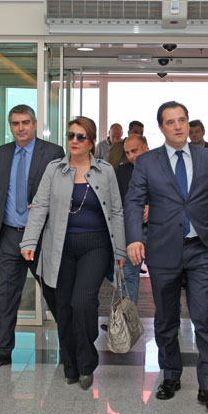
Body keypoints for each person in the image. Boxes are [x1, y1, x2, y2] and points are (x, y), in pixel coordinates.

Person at [125, 101, 208, 414]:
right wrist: (134, 237)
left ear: (188, 124)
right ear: (161, 127)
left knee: (205, 318)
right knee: (166, 319)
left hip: (202, 250)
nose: (178, 126)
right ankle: (171, 375)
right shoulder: (147, 162)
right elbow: (134, 202)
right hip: (163, 250)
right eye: (171, 122)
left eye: (182, 120)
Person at [21, 116, 126, 390]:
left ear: (92, 142)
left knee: (82, 302)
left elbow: (116, 211)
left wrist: (119, 249)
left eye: (81, 136)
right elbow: (40, 206)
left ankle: (86, 360)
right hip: (60, 247)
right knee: (64, 308)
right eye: (71, 135)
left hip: (95, 246)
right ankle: (71, 365)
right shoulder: (54, 169)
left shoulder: (105, 171)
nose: (74, 141)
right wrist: (29, 241)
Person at [0, 104, 65, 371]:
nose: (21, 128)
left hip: (40, 236)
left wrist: (45, 204)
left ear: (35, 124)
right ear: (10, 126)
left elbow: (63, 192)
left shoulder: (53, 152)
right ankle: (1, 351)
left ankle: (70, 348)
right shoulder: (4, 152)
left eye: (25, 122)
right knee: (6, 295)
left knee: (54, 293)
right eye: (15, 123)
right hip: (9, 235)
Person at [115, 134, 149, 304]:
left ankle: (170, 319)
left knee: (165, 279)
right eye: (127, 153)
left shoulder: (162, 167)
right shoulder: (122, 171)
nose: (131, 156)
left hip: (159, 231)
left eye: (134, 151)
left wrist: (153, 206)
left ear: (145, 146)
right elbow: (119, 202)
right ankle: (127, 318)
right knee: (128, 276)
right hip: (132, 231)